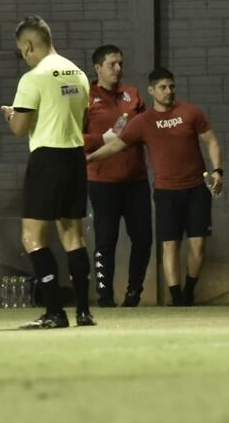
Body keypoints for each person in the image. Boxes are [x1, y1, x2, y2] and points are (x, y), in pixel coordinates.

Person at [87, 68, 222, 307]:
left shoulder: (191, 112)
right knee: (169, 246)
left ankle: (189, 291)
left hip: (196, 190)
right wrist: (88, 159)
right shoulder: (142, 122)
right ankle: (177, 297)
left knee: (198, 246)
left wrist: (217, 170)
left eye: (171, 87)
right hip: (166, 192)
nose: (168, 91)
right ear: (151, 90)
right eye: (163, 87)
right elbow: (116, 145)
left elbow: (211, 141)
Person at [2, 15, 94, 329]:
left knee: (32, 237)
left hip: (47, 159)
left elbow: (19, 128)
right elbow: (84, 123)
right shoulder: (79, 74)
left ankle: (55, 312)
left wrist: (11, 115)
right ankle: (84, 312)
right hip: (75, 158)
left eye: (21, 50)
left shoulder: (33, 77)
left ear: (28, 45)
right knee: (73, 237)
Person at [83, 45, 152, 308]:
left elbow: (146, 129)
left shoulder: (132, 95)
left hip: (136, 181)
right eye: (112, 64)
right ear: (98, 67)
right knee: (106, 241)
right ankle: (105, 297)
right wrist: (101, 139)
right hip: (102, 182)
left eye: (120, 64)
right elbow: (73, 138)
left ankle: (134, 293)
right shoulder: (85, 98)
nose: (118, 69)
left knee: (144, 239)